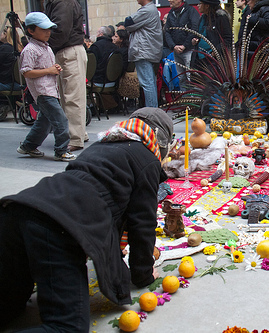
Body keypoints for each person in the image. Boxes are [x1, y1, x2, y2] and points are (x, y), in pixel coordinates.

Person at [0, 107, 172, 331]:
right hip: (57, 225)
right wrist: (143, 273)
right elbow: (142, 222)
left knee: (9, 305)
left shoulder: (101, 146)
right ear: (160, 140)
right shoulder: (147, 159)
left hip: (20, 208)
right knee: (67, 326)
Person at [16, 12, 75, 162]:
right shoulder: (30, 50)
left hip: (50, 89)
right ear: (31, 31)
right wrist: (49, 70)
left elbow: (43, 67)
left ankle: (28, 146)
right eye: (43, 29)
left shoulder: (46, 47)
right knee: (60, 120)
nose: (48, 32)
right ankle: (61, 150)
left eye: (49, 29)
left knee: (44, 122)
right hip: (43, 91)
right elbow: (26, 72)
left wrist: (53, 68)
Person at [45, 0, 88, 152]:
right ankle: (78, 133)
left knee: (72, 97)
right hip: (65, 50)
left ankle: (75, 138)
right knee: (68, 96)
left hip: (69, 50)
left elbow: (60, 30)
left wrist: (44, 43)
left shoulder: (63, 2)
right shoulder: (59, 2)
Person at [125, 0, 163, 107]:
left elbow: (128, 22)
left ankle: (151, 112)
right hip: (146, 50)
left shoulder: (147, 10)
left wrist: (132, 26)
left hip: (143, 51)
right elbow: (129, 25)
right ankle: (152, 110)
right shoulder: (150, 10)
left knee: (147, 83)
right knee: (149, 82)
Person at [163, 0, 200, 91]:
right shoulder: (171, 13)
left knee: (190, 76)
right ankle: (185, 100)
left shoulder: (191, 11)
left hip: (189, 51)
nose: (169, 0)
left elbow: (194, 29)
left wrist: (185, 46)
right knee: (181, 78)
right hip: (176, 51)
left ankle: (194, 100)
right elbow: (167, 31)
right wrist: (173, 46)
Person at [191, 0, 232, 69]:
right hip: (199, 57)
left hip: (213, 59)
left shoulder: (220, 18)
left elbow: (228, 39)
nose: (198, 5)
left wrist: (215, 52)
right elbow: (198, 34)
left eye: (200, 4)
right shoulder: (202, 19)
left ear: (207, 6)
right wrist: (194, 40)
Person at [0, 27, 22, 92]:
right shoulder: (20, 48)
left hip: (9, 84)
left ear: (5, 34)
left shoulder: (4, 48)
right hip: (21, 84)